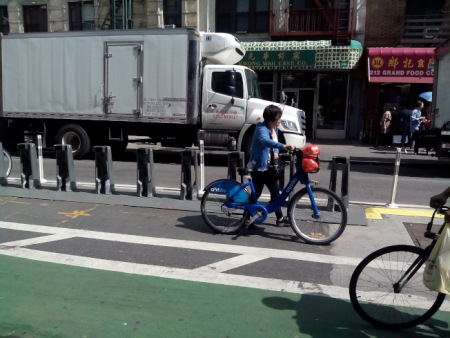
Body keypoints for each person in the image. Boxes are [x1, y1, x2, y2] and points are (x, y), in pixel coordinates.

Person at [247, 105, 295, 227]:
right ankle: (247, 219)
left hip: (270, 168)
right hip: (259, 167)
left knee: (275, 193)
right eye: (278, 117)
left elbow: (274, 144)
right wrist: (283, 146)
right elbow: (265, 141)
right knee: (256, 193)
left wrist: (277, 153)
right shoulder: (261, 128)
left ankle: (279, 218)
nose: (280, 120)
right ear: (271, 118)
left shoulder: (275, 130)